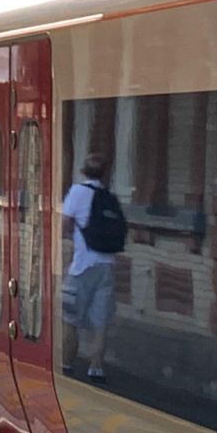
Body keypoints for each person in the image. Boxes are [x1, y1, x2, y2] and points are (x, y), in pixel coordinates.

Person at [60, 154, 126, 383]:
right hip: (107, 266)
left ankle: (67, 363)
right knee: (100, 322)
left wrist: (71, 241)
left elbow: (64, 225)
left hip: (82, 266)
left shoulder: (78, 192)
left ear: (83, 171)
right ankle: (96, 368)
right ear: (104, 173)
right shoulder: (109, 197)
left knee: (70, 318)